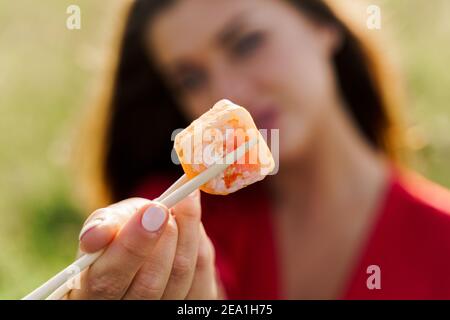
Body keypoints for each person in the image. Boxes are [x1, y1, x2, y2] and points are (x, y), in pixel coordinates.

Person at [70, 0, 450, 299]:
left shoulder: (440, 242)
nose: (229, 91)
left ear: (321, 24)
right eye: (191, 78)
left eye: (247, 42)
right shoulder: (180, 213)